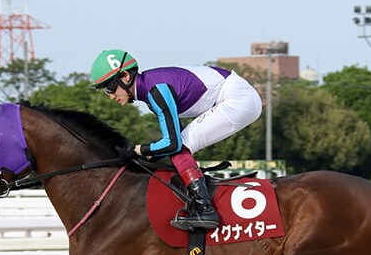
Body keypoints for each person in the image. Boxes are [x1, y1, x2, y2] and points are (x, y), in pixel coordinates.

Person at [89, 49, 263, 231]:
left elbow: (173, 143)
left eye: (110, 88)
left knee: (181, 149)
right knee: (179, 149)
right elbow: (172, 140)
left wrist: (138, 150)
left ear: (125, 76)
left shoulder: (156, 90)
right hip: (237, 97)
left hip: (237, 99)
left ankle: (205, 209)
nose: (110, 96)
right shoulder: (150, 91)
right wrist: (147, 155)